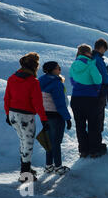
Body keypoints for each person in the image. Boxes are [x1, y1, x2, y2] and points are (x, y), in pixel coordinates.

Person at [4, 52, 48, 182]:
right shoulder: (33, 82)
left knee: (22, 141)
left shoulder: (12, 78)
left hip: (13, 114)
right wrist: (44, 119)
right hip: (26, 116)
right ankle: (25, 175)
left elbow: (7, 98)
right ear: (35, 66)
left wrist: (7, 114)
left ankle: (26, 168)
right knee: (28, 143)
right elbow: (37, 103)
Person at [70, 44, 105, 158]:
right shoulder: (90, 64)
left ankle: (83, 150)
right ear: (88, 53)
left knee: (80, 126)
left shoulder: (73, 65)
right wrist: (95, 89)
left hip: (76, 99)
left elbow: (72, 81)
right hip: (90, 99)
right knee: (93, 125)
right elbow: (98, 79)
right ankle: (94, 150)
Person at [39, 61, 72, 175]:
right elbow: (60, 104)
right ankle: (58, 167)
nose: (60, 70)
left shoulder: (40, 81)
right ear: (53, 70)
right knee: (56, 142)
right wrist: (67, 118)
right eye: (58, 68)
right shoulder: (56, 83)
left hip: (45, 115)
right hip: (56, 116)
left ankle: (49, 166)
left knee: (49, 141)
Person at [92, 38, 108, 136]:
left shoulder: (91, 58)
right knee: (99, 118)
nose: (104, 52)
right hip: (100, 92)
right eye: (105, 49)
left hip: (91, 92)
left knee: (93, 118)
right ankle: (97, 144)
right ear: (102, 48)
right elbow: (104, 76)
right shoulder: (98, 59)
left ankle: (92, 144)